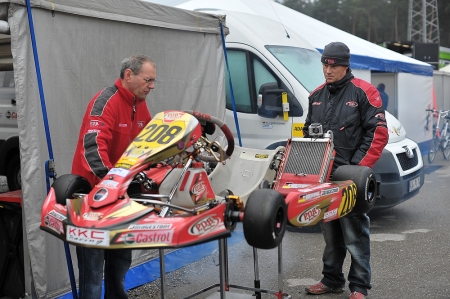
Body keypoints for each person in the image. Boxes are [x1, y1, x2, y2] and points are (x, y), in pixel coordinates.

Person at [303, 42, 388, 299]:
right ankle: (331, 280)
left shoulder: (365, 92)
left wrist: (356, 170)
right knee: (330, 235)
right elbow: (308, 134)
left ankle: (359, 287)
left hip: (351, 180)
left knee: (355, 235)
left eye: (334, 65)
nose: (328, 70)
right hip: (325, 178)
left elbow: (378, 133)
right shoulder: (315, 96)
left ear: (345, 65)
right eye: (325, 64)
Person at [71, 54, 155, 299]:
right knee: (93, 275)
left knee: (119, 267)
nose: (152, 86)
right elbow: (93, 148)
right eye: (148, 80)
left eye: (153, 81)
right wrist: (112, 183)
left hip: (121, 198)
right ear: (128, 75)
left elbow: (148, 146)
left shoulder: (141, 104)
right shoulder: (105, 101)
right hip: (92, 197)